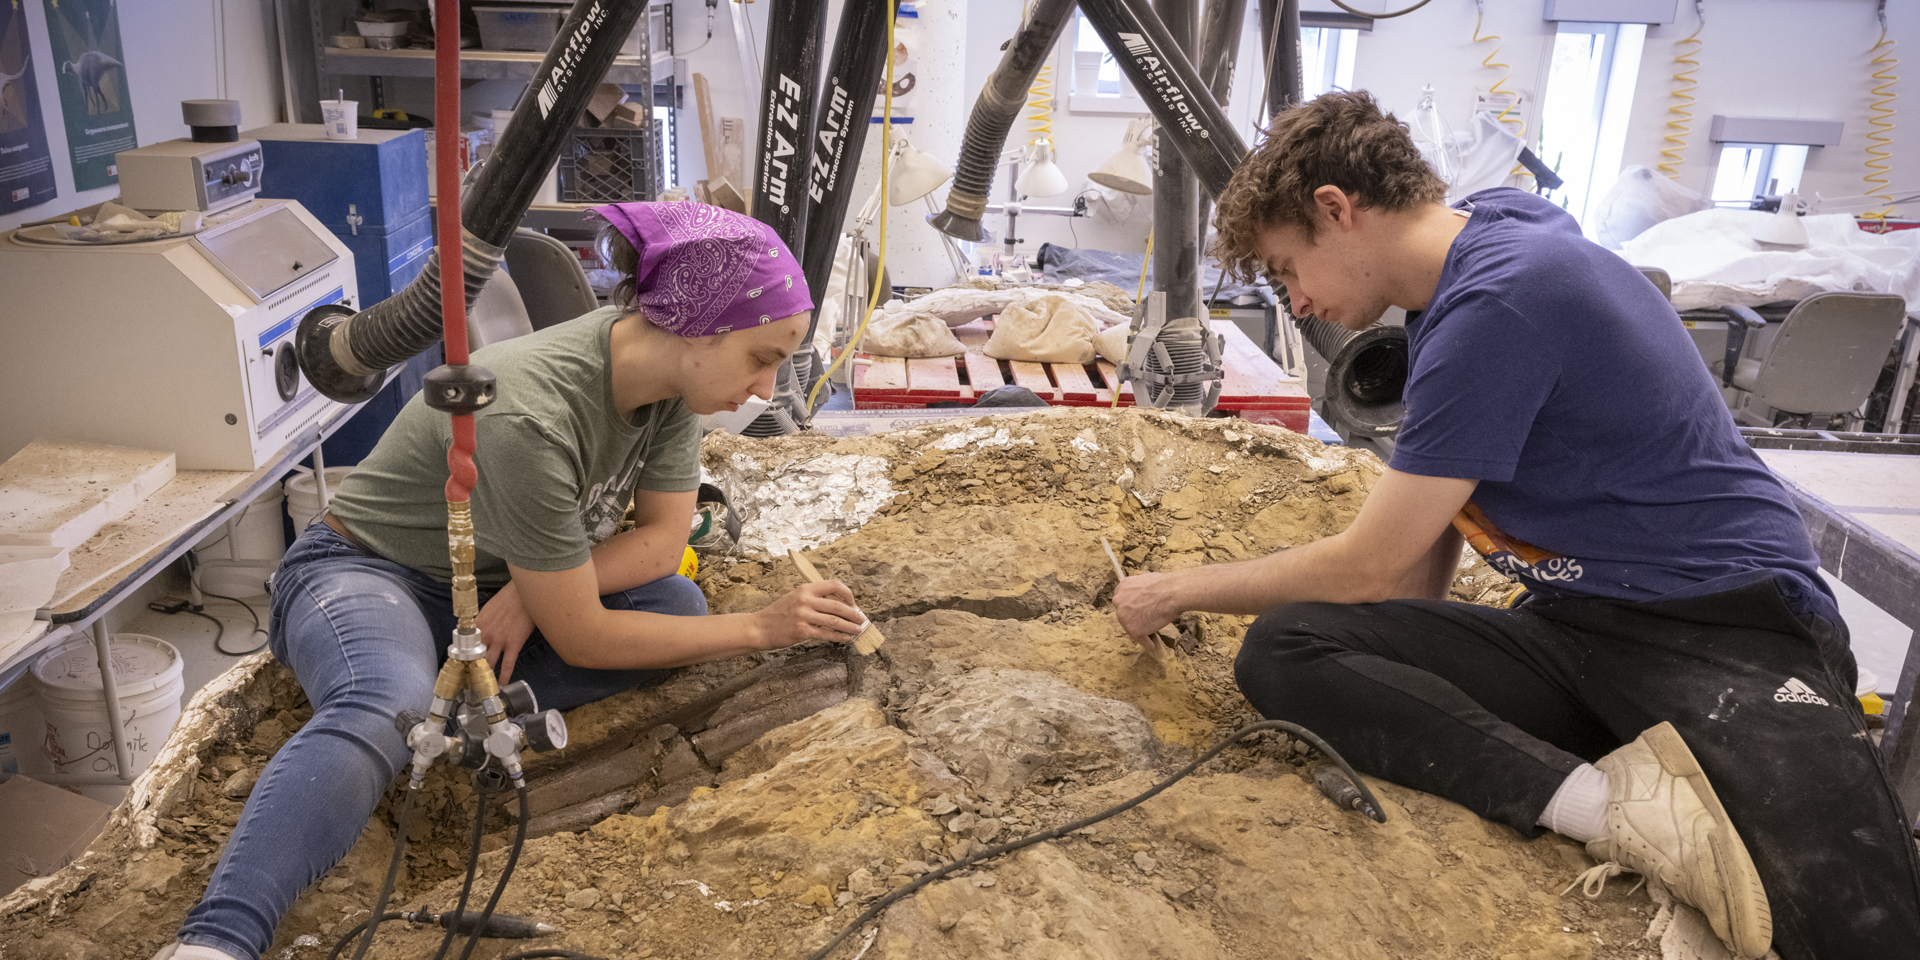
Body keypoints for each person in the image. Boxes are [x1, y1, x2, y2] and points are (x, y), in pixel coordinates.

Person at [1114, 91, 1920, 958]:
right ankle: (1622, 817)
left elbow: (1370, 568)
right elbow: (1420, 557)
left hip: (1729, 626)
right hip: (1579, 627)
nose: (1297, 302)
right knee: (1289, 647)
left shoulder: (1506, 298)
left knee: (1861, 931)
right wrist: (1396, 634)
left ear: (1336, 210)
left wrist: (1175, 591)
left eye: (1286, 270)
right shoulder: (1478, 246)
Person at [157, 202, 867, 960]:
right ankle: (217, 940)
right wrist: (764, 625)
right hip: (368, 571)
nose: (764, 389)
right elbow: (586, 635)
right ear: (696, 326)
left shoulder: (667, 390)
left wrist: (529, 589)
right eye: (761, 358)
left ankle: (449, 715)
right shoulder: (530, 410)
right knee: (385, 704)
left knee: (677, 606)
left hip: (489, 582)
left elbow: (662, 545)